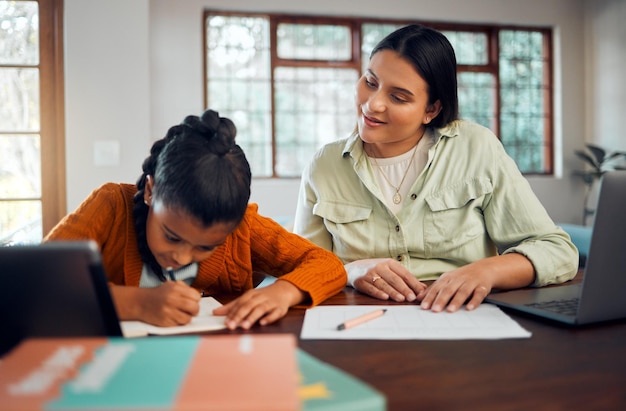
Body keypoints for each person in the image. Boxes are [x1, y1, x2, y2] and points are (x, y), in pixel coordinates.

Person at [293, 24, 578, 313]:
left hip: (461, 317)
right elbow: (302, 264)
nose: (373, 104)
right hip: (361, 318)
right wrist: (352, 271)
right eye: (370, 81)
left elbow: (556, 250)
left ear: (431, 110)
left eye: (398, 97)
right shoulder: (325, 164)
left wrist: (485, 272)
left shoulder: (476, 148)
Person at [45, 109, 346, 329]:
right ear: (150, 191)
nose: (181, 256)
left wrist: (283, 292)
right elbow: (36, 282)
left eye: (205, 247)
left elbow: (327, 264)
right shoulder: (110, 206)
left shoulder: (242, 229)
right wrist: (137, 304)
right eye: (172, 236)